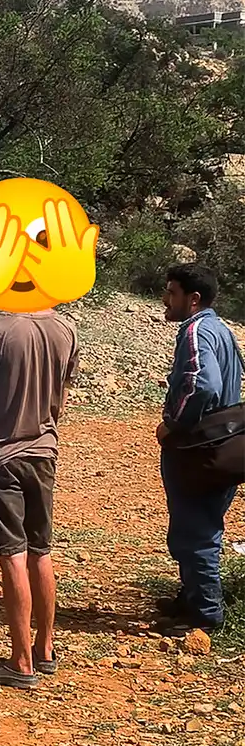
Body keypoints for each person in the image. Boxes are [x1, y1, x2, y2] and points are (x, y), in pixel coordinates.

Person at [0, 301, 78, 689]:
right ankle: (44, 649)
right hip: (44, 452)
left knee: (12, 553)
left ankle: (20, 661)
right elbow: (60, 397)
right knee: (40, 550)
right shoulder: (66, 330)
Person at [156, 264, 243, 632]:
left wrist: (173, 424)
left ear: (193, 300)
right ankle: (192, 597)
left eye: (172, 292)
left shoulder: (195, 331)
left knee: (195, 533)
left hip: (200, 450)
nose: (165, 298)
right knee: (200, 525)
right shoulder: (220, 329)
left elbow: (202, 382)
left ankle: (205, 617)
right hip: (223, 447)